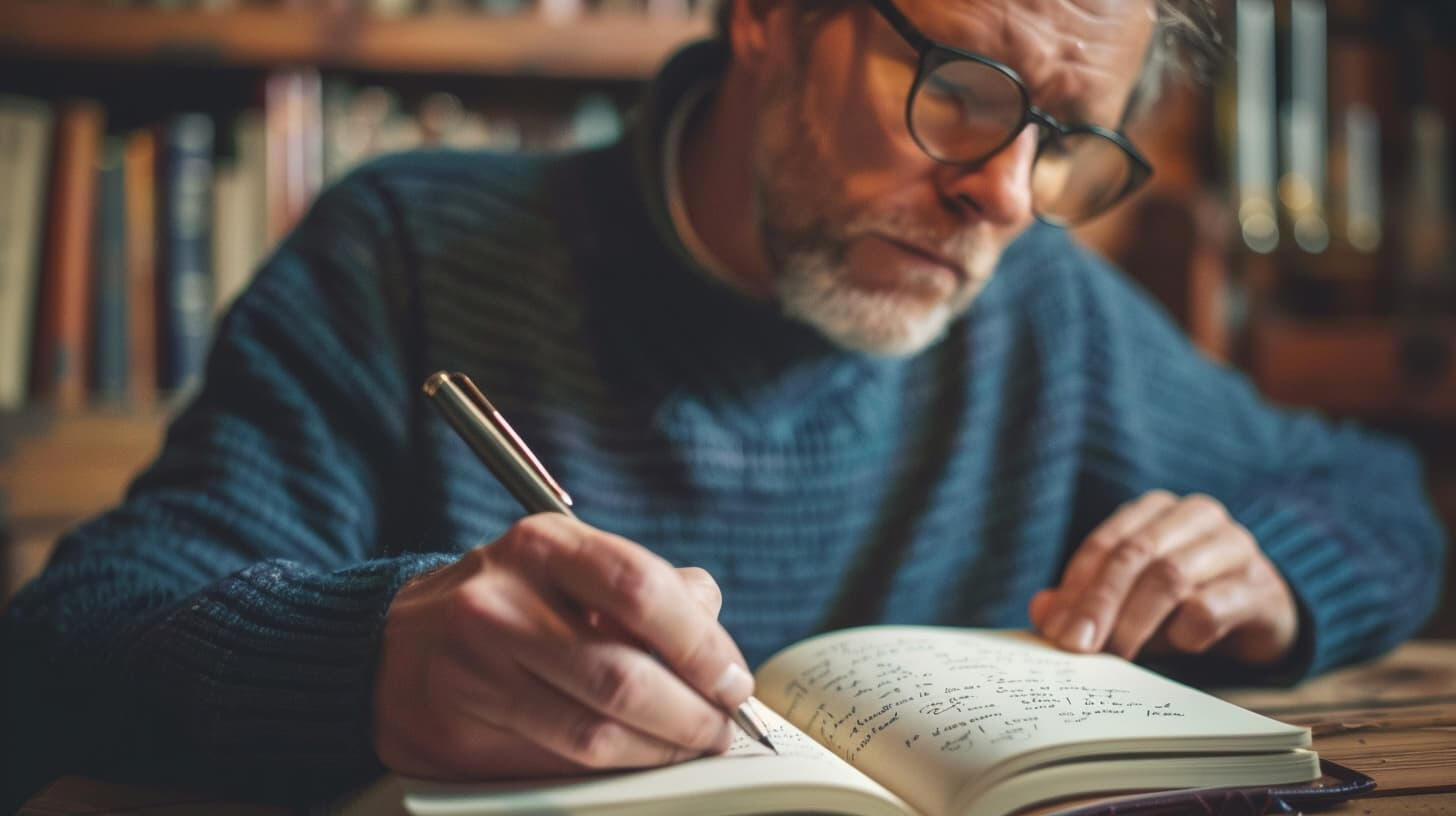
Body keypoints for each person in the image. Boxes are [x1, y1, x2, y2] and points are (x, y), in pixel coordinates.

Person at [1, 0, 1446, 808]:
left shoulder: (1045, 312)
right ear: (769, 16)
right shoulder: (403, 253)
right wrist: (367, 656)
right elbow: (74, 638)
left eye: (1067, 139)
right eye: (960, 87)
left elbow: (1379, 495)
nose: (1006, 197)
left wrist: (1270, 568)